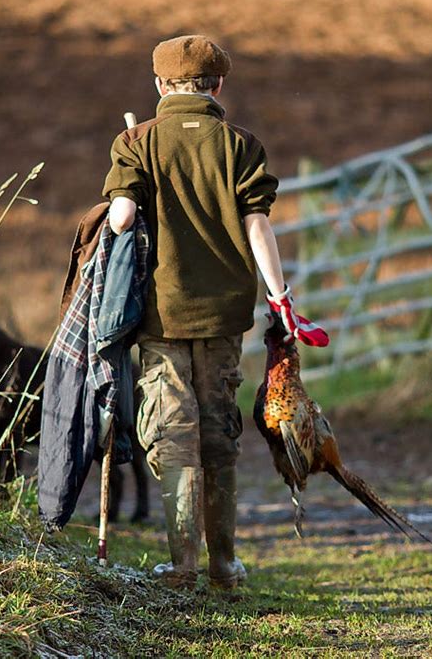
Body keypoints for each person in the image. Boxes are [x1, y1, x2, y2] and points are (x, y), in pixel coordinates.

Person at [102, 35, 319, 590]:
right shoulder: (241, 145)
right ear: (218, 84)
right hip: (224, 315)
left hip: (160, 315)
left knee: (173, 429)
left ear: (159, 86)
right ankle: (225, 563)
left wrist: (119, 200)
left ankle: (182, 565)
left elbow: (122, 219)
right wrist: (279, 295)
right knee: (219, 429)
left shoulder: (136, 143)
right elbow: (257, 225)